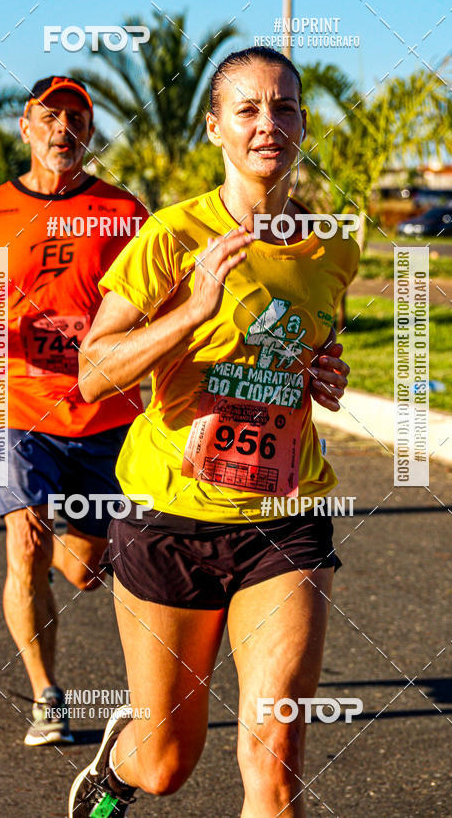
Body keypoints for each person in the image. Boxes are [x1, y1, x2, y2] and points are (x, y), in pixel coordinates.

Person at [68, 47, 359, 817]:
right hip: (169, 519)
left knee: (275, 757)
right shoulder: (171, 236)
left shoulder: (334, 246)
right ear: (215, 127)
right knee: (166, 765)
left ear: (302, 122)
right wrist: (193, 309)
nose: (271, 123)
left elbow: (307, 349)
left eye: (286, 107)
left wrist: (325, 375)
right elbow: (94, 372)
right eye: (249, 109)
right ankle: (114, 775)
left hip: (283, 520)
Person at [0, 76, 147, 746]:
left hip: (102, 412)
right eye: (49, 117)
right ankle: (46, 696)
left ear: (89, 132)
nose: (63, 130)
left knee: (83, 570)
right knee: (24, 544)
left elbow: (159, 307)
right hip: (13, 402)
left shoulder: (123, 212)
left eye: (77, 119)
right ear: (26, 127)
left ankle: (63, 534)